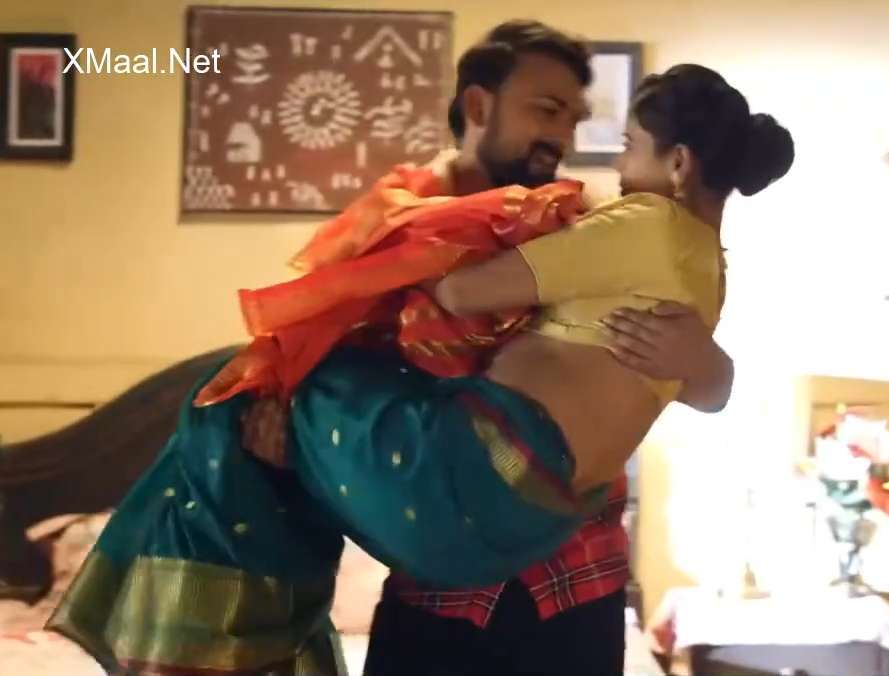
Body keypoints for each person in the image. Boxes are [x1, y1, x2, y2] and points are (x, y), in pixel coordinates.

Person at [48, 23, 793, 676]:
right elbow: (319, 371)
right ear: (479, 107)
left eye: (572, 117)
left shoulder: (585, 221)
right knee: (222, 407)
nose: (564, 136)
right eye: (546, 110)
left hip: (574, 590)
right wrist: (284, 437)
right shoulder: (388, 233)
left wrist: (704, 361)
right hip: (438, 593)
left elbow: (710, 389)